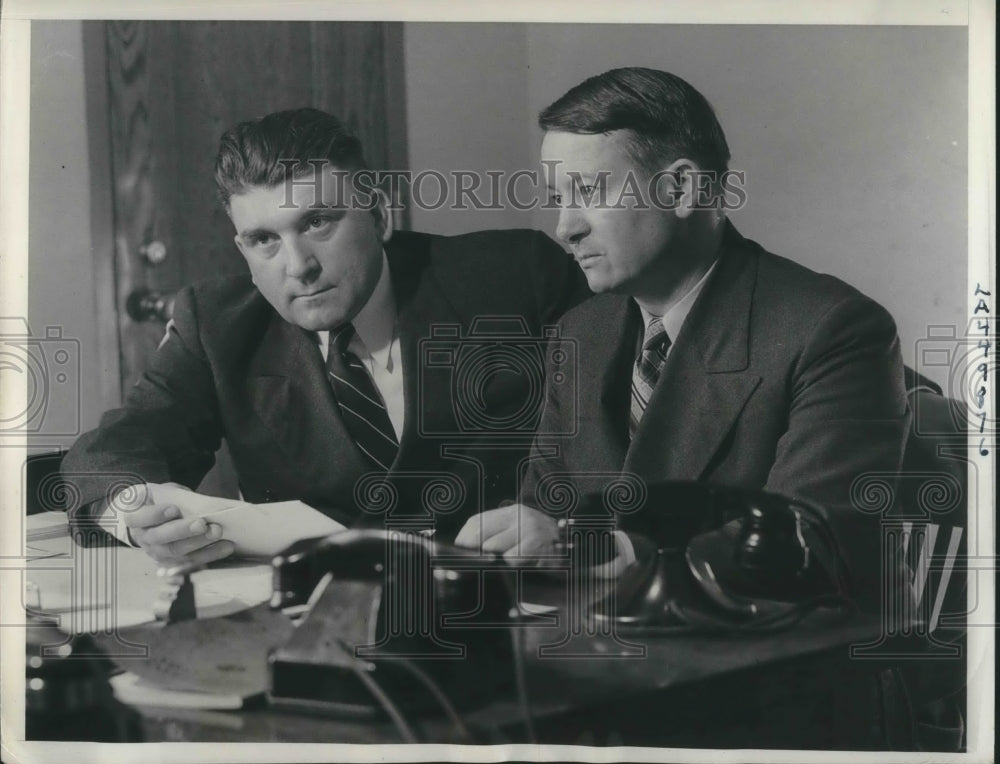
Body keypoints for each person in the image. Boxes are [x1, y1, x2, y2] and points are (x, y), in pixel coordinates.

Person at [455, 68, 910, 606]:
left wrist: (593, 550)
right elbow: (547, 511)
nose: (564, 227)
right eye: (558, 198)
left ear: (683, 189)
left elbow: (811, 546)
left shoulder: (833, 328)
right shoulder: (579, 333)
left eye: (590, 191)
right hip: (609, 660)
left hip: (771, 674)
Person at [62, 108, 587, 566]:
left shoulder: (514, 276)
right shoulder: (218, 324)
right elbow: (111, 451)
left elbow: (632, 433)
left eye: (317, 223)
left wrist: (563, 529)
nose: (298, 267)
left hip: (512, 604)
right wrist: (135, 517)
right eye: (263, 239)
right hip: (324, 619)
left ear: (379, 215)